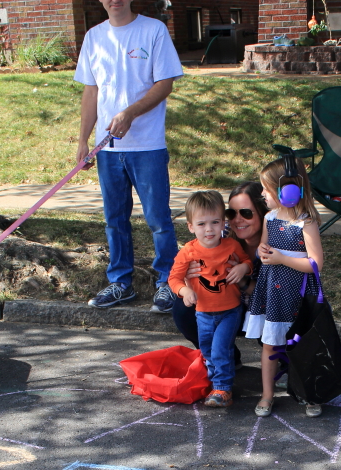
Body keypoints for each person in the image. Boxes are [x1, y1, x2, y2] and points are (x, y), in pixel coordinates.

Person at [74, 0, 184, 313]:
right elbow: (91, 91)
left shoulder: (153, 30)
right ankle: (121, 283)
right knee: (115, 220)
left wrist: (130, 113)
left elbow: (165, 84)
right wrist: (83, 140)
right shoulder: (94, 37)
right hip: (108, 149)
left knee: (158, 219)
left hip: (147, 146)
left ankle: (168, 282)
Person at [244, 157, 324, 419]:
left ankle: (309, 393)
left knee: (303, 344)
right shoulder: (269, 218)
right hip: (273, 293)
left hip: (298, 294)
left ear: (289, 190)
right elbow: (263, 247)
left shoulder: (306, 222)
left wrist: (281, 259)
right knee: (269, 344)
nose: (262, 195)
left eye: (266, 189)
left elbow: (315, 264)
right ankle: (267, 394)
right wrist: (262, 250)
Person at [171, 182, 266, 359]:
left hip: (256, 308)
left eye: (246, 213)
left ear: (262, 212)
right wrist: (189, 281)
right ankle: (220, 359)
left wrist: (243, 277)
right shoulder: (219, 233)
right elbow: (178, 275)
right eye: (231, 213)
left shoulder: (274, 242)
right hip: (217, 304)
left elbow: (270, 294)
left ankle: (285, 359)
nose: (237, 219)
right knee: (182, 307)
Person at [168, 191, 245, 408]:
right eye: (201, 224)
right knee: (208, 351)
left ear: (223, 223)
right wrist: (184, 290)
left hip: (230, 310)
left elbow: (248, 260)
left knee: (221, 349)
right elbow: (173, 279)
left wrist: (243, 267)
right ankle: (215, 382)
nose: (209, 229)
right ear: (191, 226)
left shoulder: (231, 246)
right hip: (202, 312)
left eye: (215, 222)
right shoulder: (188, 252)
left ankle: (223, 388)